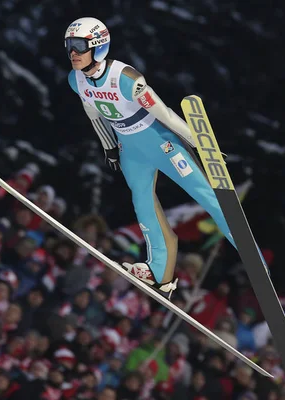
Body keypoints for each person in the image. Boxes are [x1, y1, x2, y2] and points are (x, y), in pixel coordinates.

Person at [64, 17, 236, 298]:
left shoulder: (127, 79)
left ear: (98, 47)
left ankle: (250, 253)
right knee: (142, 203)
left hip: (160, 142)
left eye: (79, 46)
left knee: (205, 195)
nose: (73, 53)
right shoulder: (76, 80)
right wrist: (108, 146)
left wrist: (201, 144)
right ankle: (160, 272)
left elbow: (165, 114)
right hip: (129, 148)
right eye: (69, 46)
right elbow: (94, 114)